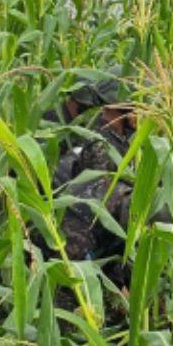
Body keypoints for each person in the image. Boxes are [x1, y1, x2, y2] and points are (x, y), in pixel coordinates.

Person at [46, 76, 137, 280]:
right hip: (76, 251)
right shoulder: (102, 144)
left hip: (91, 249)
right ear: (120, 106)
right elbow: (105, 208)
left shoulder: (117, 139)